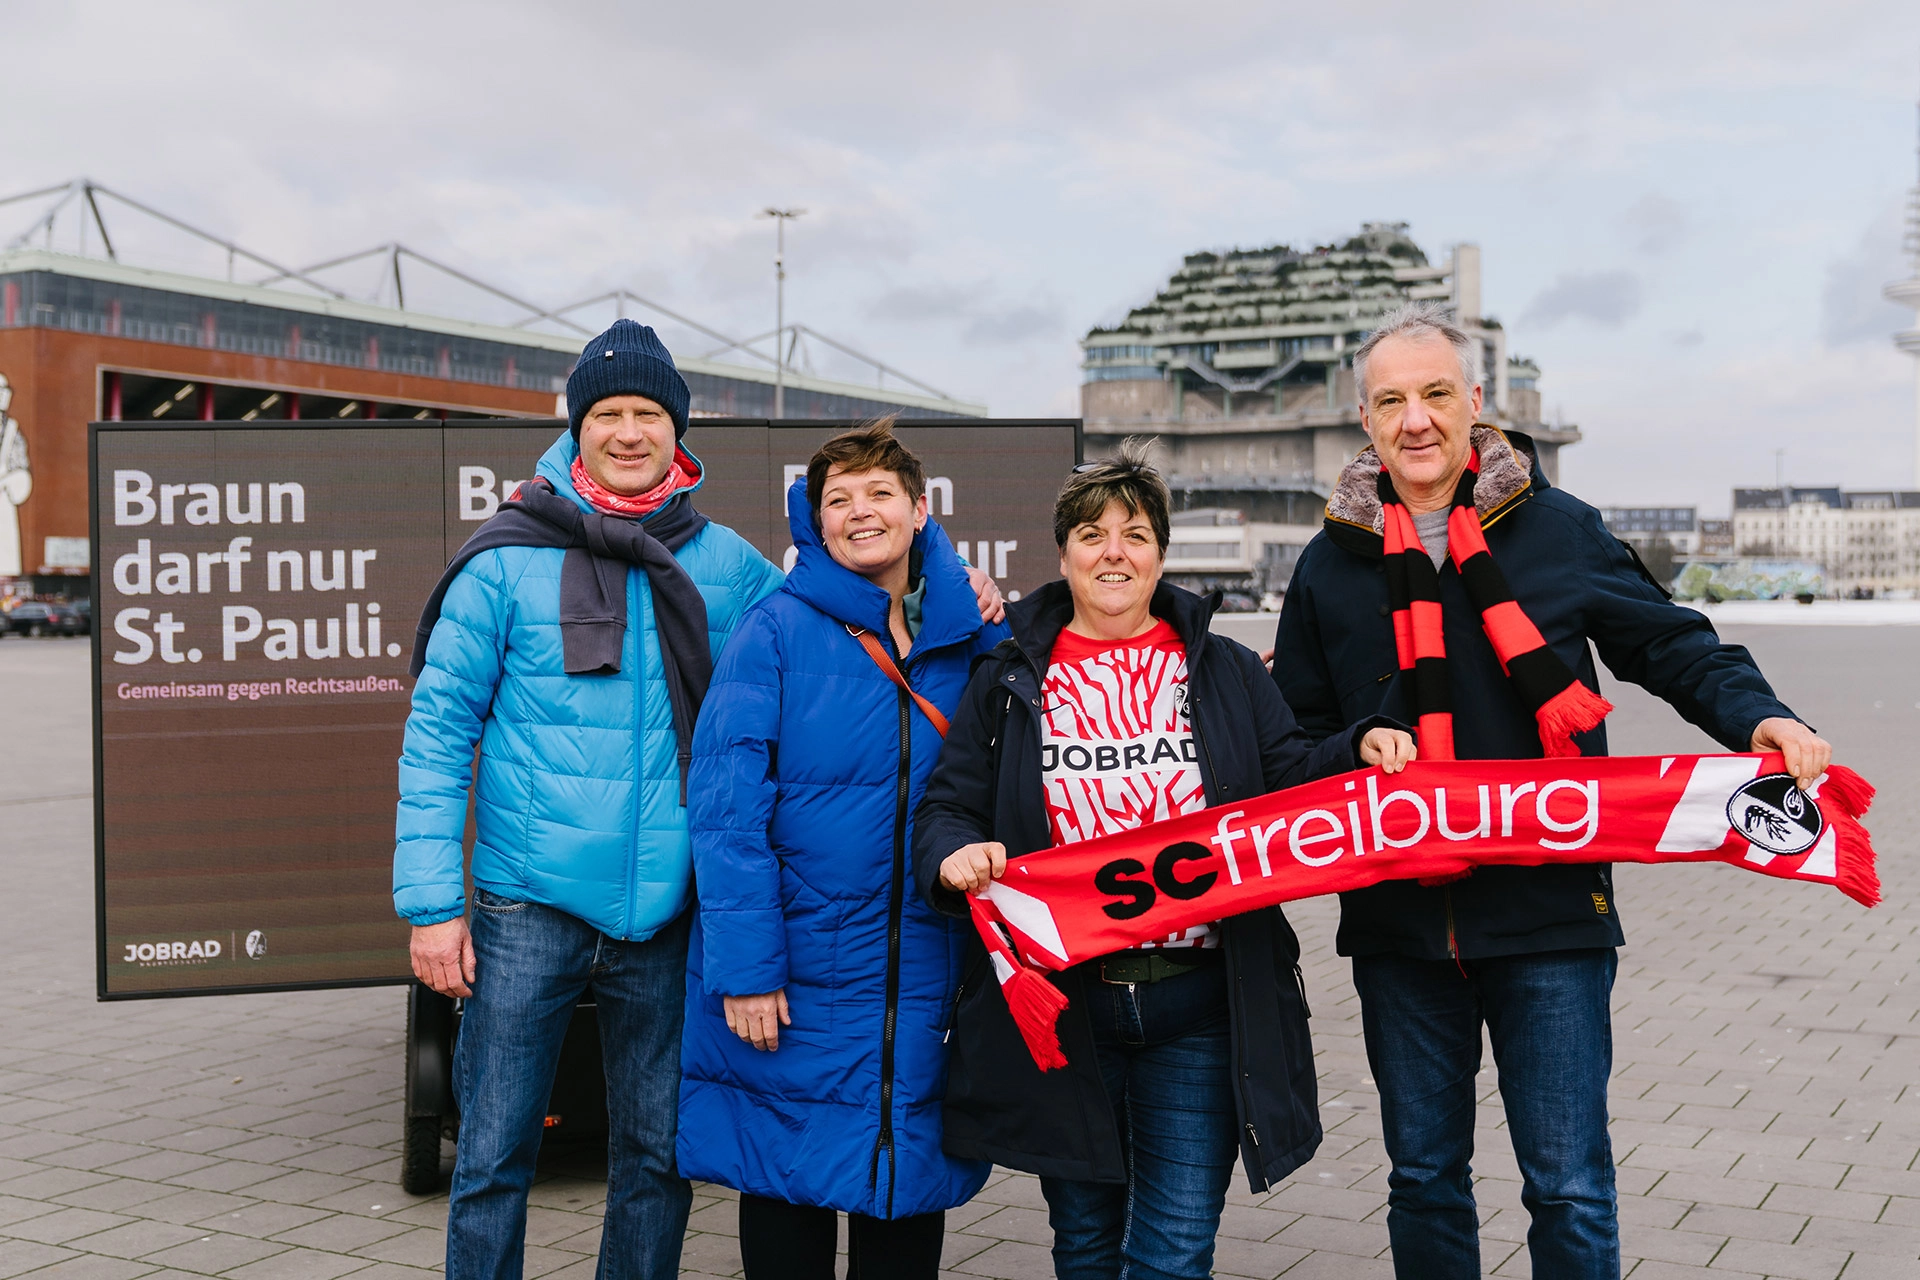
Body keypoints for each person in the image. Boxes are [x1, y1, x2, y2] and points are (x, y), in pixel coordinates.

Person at [395, 321, 1004, 1280]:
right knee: (491, 1158)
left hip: (667, 916)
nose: (629, 432)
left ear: (677, 431)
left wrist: (959, 583)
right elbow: (437, 734)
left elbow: (849, 607)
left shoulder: (722, 563)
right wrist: (433, 906)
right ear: (576, 428)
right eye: (608, 414)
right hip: (527, 905)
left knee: (653, 1160)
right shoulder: (505, 558)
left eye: (648, 413)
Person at [1271, 300, 1831, 1280]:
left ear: (1475, 402)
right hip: (1402, 925)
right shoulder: (1328, 565)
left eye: (1436, 394)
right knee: (1424, 1178)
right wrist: (1353, 744)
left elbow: (1672, 645)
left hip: (1552, 916)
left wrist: (1760, 717)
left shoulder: (1559, 530)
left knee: (1568, 1182)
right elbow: (1291, 739)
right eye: (1392, 400)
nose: (1416, 419)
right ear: (1365, 418)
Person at [914, 443, 1414, 1280]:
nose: (1114, 551)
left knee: (1173, 1251)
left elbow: (1287, 781)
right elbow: (947, 805)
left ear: (1160, 552)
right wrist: (954, 852)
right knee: (1084, 1245)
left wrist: (1356, 749)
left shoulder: (1220, 669)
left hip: (1202, 1005)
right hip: (1065, 1010)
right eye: (1093, 535)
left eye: (1135, 534)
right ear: (1064, 554)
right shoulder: (1007, 677)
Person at [678, 420, 1005, 1280]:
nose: (860, 513)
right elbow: (724, 811)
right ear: (814, 523)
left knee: (906, 1179)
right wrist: (747, 967)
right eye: (837, 500)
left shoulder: (973, 637)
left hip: (926, 965)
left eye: (878, 493)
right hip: (797, 974)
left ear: (919, 509)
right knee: (788, 1182)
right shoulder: (774, 632)